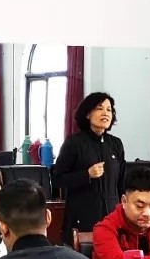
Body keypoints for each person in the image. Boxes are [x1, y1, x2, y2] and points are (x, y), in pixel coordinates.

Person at [52, 92, 126, 247]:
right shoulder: (74, 143)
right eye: (100, 108)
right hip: (82, 218)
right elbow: (57, 179)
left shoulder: (116, 144)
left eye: (109, 110)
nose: (106, 113)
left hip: (112, 218)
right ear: (87, 114)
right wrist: (86, 175)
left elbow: (121, 182)